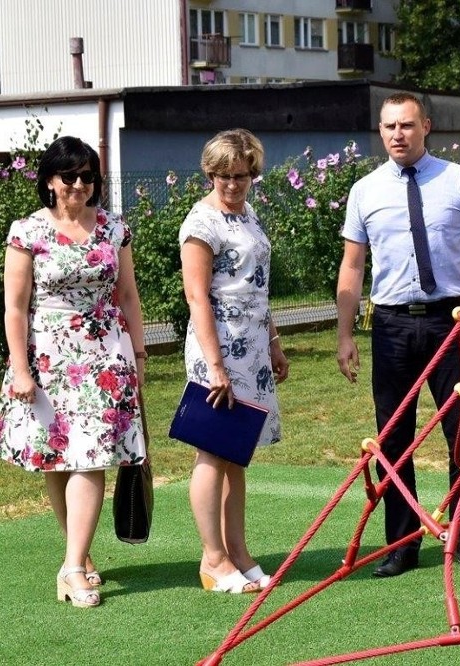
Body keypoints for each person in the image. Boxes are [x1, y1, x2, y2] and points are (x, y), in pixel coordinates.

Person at [336, 92, 460, 578]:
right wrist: (344, 335)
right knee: (395, 438)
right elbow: (352, 266)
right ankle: (403, 544)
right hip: (390, 326)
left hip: (450, 321)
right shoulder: (365, 191)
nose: (397, 134)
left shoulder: (458, 180)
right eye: (389, 126)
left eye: (407, 125)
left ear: (427, 126)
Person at [0, 136, 147, 608]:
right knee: (58, 458)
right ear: (50, 181)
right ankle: (78, 556)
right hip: (47, 356)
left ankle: (73, 567)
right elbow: (14, 308)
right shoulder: (28, 231)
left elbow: (129, 296)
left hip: (105, 354)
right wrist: (20, 369)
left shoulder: (114, 228)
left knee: (91, 456)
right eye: (69, 176)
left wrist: (137, 355)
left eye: (87, 177)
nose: (79, 185)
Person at [179, 128, 289, 594]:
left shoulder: (248, 214)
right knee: (213, 450)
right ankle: (213, 558)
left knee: (236, 456)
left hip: (254, 348)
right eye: (222, 176)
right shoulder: (200, 223)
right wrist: (216, 366)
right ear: (209, 174)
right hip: (217, 347)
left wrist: (275, 342)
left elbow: (257, 288)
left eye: (241, 176)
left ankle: (239, 553)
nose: (232, 184)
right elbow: (197, 297)